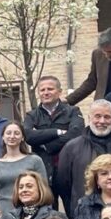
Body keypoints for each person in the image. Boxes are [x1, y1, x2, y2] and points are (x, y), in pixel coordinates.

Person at [23, 76, 84, 211]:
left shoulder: (73, 111)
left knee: (75, 213)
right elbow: (27, 135)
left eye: (50, 89)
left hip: (69, 171)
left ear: (59, 92)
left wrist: (48, 145)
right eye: (42, 90)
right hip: (44, 172)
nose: (46, 92)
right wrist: (57, 132)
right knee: (48, 215)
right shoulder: (32, 115)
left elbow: (76, 134)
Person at [56, 99, 111, 217]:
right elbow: (63, 185)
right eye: (97, 116)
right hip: (85, 215)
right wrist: (75, 210)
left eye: (107, 117)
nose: (102, 121)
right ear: (89, 118)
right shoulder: (71, 148)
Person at [0, 122, 46, 219]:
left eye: (16, 133)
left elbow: (44, 190)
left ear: (22, 137)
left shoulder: (35, 161)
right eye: (8, 133)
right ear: (3, 137)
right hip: (3, 216)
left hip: (30, 214)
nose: (12, 136)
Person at [66, 26, 111, 105]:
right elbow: (91, 82)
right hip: (104, 107)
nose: (107, 55)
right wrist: (68, 100)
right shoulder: (98, 54)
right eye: (104, 52)